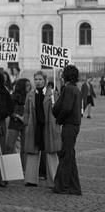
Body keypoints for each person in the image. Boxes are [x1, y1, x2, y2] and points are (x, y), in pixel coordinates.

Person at [22, 71, 60, 186]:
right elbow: (26, 111)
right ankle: (31, 179)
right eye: (36, 79)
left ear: (45, 80)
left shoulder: (53, 94)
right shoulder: (30, 94)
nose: (38, 82)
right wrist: (26, 124)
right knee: (32, 151)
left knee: (50, 151)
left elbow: (57, 110)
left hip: (48, 126)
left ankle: (54, 180)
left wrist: (57, 124)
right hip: (34, 125)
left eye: (40, 79)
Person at [52, 64, 83, 195]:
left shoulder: (69, 89)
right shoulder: (74, 88)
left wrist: (58, 120)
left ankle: (62, 186)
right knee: (70, 155)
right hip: (73, 124)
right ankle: (75, 187)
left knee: (65, 155)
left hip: (70, 125)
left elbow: (66, 108)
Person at [4, 78, 30, 155]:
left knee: (25, 148)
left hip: (26, 124)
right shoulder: (13, 97)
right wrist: (18, 116)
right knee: (9, 145)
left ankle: (24, 166)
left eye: (29, 85)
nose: (29, 87)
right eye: (27, 85)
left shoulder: (30, 97)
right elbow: (9, 110)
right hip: (14, 123)